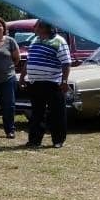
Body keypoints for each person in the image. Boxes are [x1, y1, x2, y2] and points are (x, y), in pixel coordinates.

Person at [25, 20, 72, 149]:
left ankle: (58, 140)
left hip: (52, 83)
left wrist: (64, 81)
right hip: (35, 83)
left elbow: (66, 63)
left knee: (56, 113)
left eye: (38, 26)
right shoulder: (35, 40)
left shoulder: (59, 41)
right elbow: (29, 60)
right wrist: (23, 76)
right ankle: (34, 140)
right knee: (36, 113)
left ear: (46, 28)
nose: (35, 28)